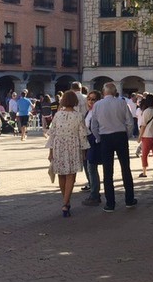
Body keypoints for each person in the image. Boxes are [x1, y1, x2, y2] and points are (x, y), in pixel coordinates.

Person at [89, 82, 136, 211]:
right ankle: (129, 199)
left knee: (107, 171)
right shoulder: (122, 103)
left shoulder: (97, 105)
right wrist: (127, 135)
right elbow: (130, 122)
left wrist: (99, 138)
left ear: (104, 92)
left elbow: (94, 126)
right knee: (126, 168)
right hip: (120, 136)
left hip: (105, 138)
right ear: (115, 91)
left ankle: (110, 203)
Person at [45, 90, 88, 218]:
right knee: (71, 176)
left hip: (59, 145)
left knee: (61, 174)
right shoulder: (79, 116)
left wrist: (50, 151)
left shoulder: (58, 115)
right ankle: (65, 203)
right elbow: (83, 136)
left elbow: (52, 133)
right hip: (73, 145)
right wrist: (84, 151)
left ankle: (66, 201)